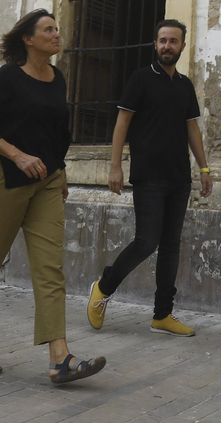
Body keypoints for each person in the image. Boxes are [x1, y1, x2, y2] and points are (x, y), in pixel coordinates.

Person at [0, 8, 105, 385]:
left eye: (56, 29)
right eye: (47, 30)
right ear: (28, 40)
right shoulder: (6, 79)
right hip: (2, 177)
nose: (56, 34)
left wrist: (60, 170)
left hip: (46, 180)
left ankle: (60, 358)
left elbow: (56, 133)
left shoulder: (57, 79)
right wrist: (17, 154)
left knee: (50, 267)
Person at [86, 19, 213, 336]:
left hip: (179, 177)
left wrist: (204, 167)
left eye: (173, 41)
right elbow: (121, 124)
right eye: (162, 40)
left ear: (182, 46)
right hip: (148, 176)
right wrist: (115, 166)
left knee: (171, 246)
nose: (167, 46)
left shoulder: (184, 85)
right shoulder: (141, 79)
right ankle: (104, 287)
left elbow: (192, 128)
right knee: (147, 241)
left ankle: (162, 315)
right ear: (155, 45)